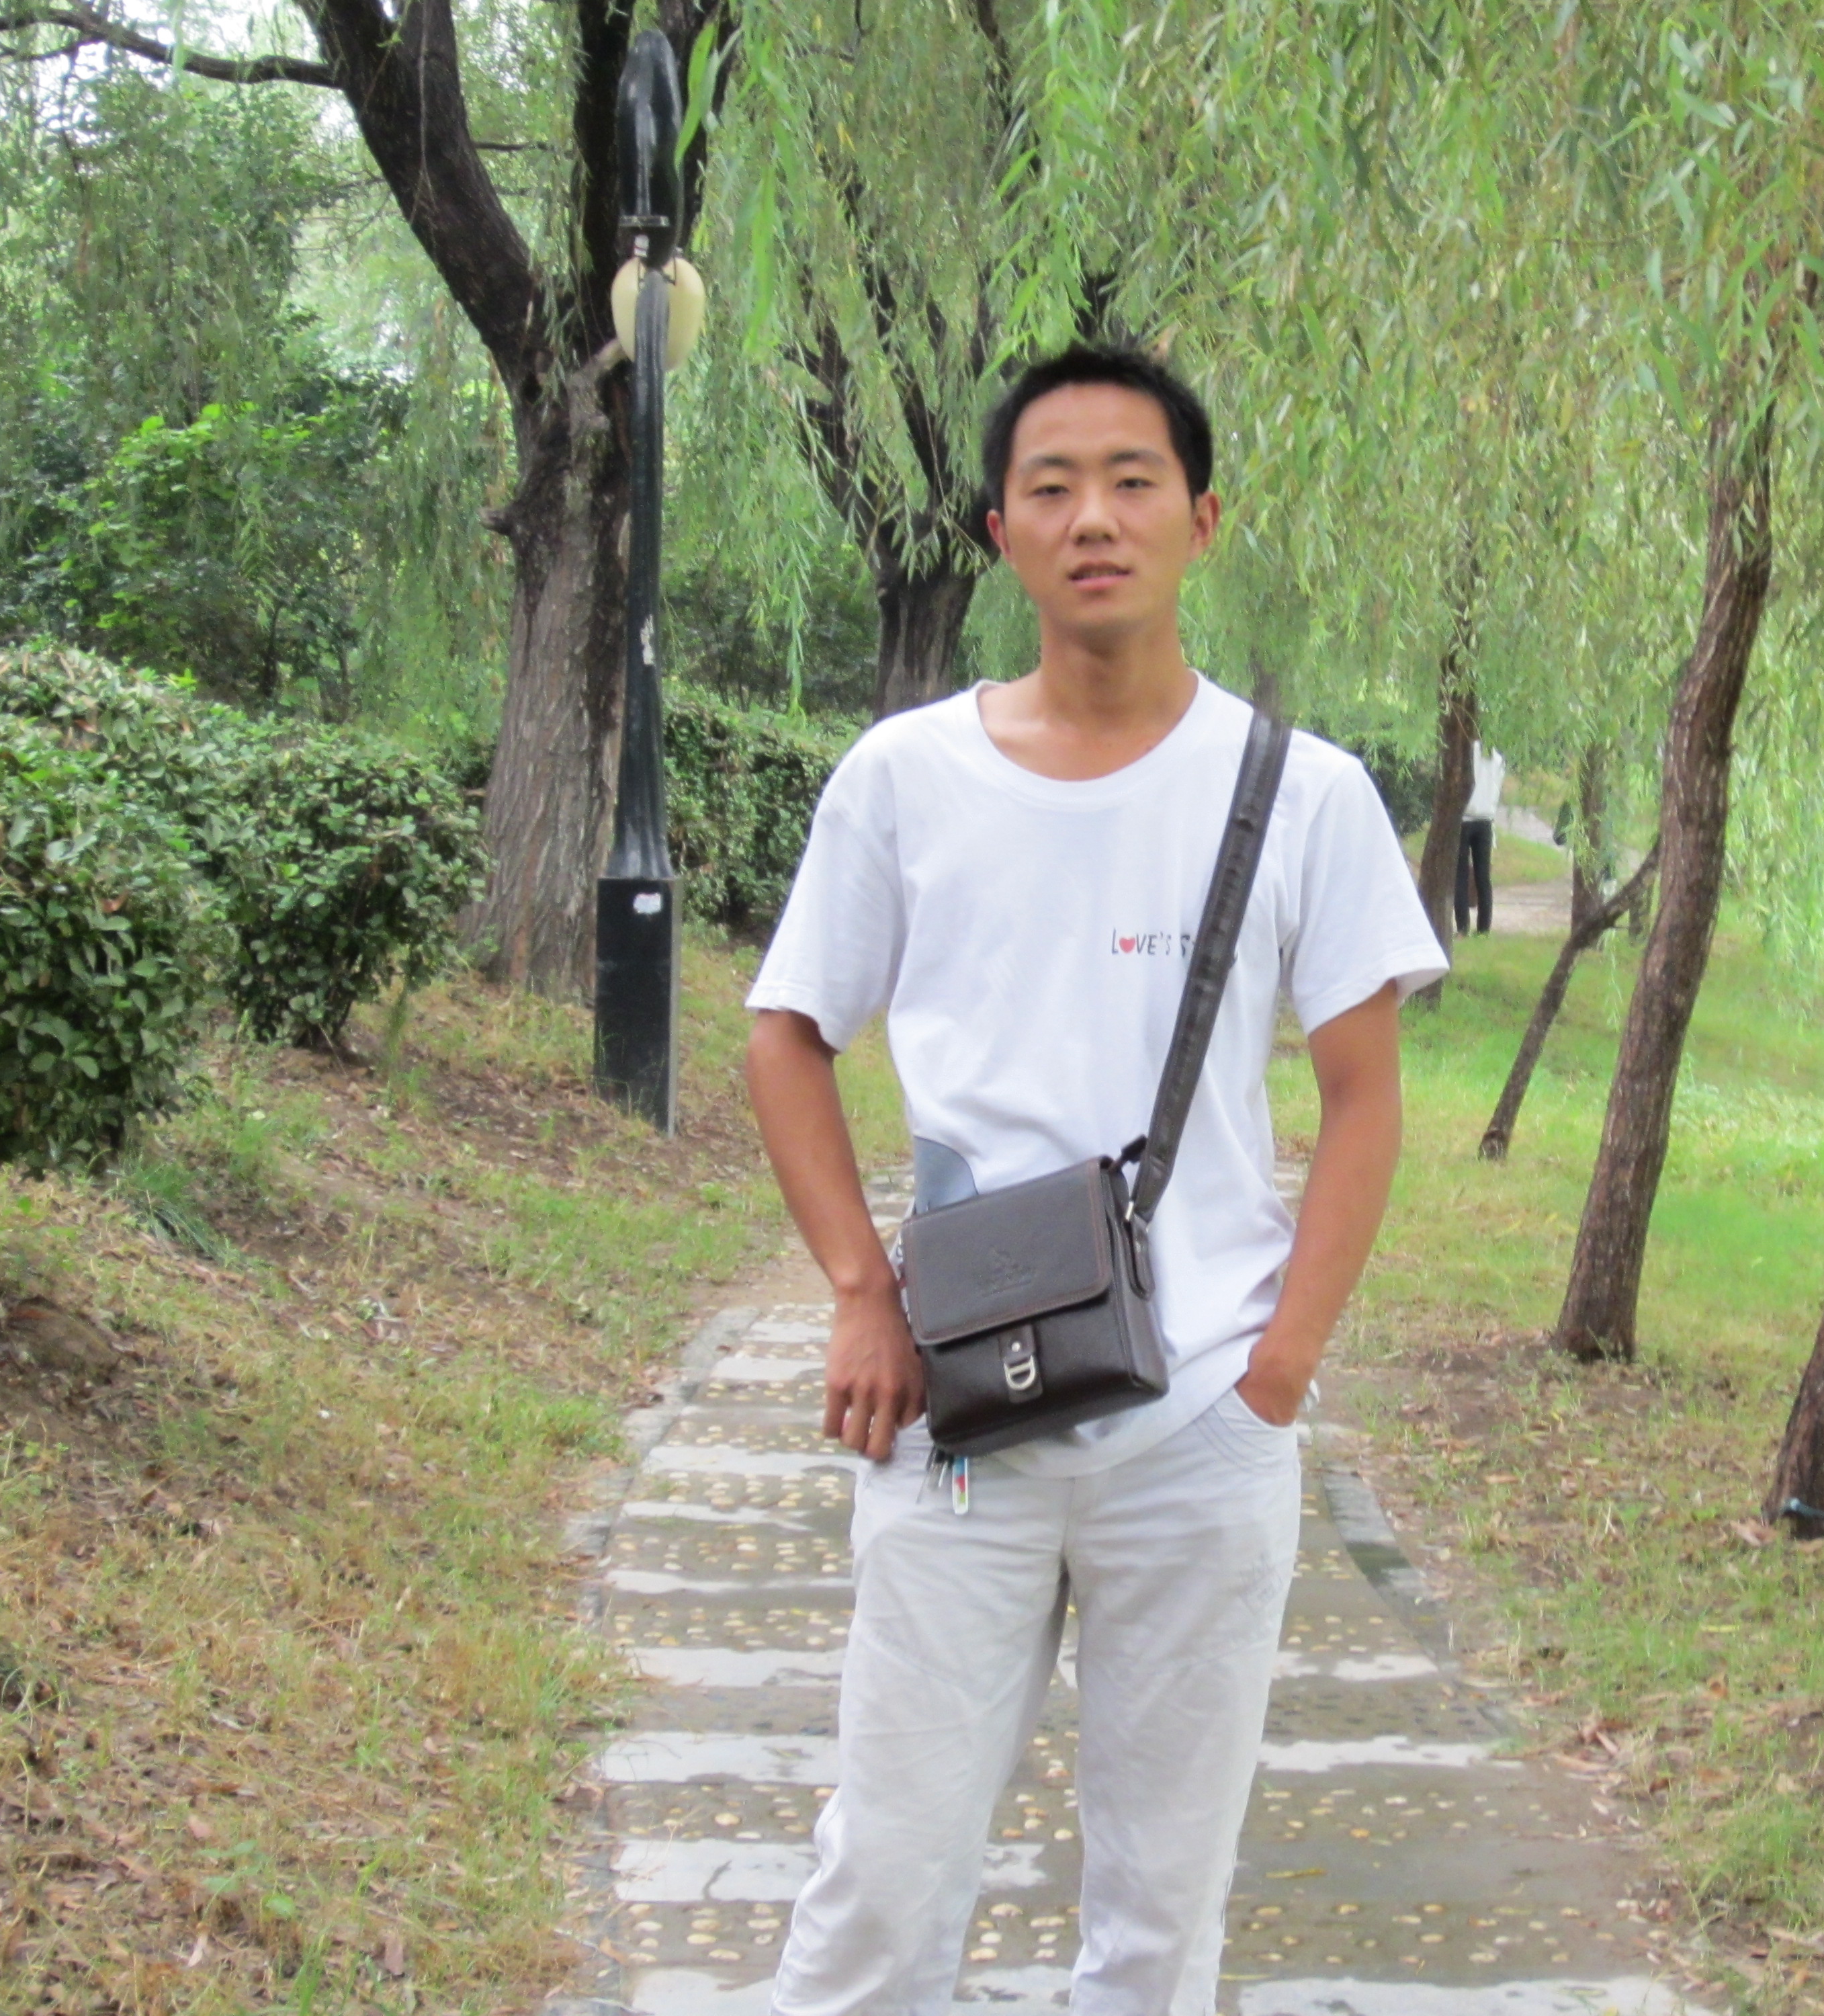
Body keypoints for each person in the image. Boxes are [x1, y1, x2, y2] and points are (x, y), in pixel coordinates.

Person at [742, 345, 1446, 2016]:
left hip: (1197, 1432)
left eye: (1134, 481)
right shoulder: (905, 779)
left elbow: (1362, 1100)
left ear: (1203, 518)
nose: (1093, 519)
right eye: (1049, 488)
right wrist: (858, 1295)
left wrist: (1274, 1375)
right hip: (952, 1422)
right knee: (883, 1887)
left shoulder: (1303, 793)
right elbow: (785, 1033)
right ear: (1000, 534)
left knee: (1155, 1926)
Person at [1455, 741, 1505, 935]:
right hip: (1486, 820)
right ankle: (1484, 928)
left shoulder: (1467, 753)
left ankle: (1463, 927)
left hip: (1465, 818)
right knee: (1483, 876)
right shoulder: (1498, 759)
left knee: (1461, 875)